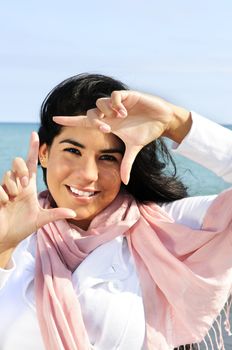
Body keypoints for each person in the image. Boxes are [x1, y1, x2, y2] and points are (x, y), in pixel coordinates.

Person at [0, 73, 232, 350]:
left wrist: (174, 122)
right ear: (44, 154)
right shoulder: (13, 235)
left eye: (107, 157)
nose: (88, 174)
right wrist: (4, 245)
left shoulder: (167, 230)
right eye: (73, 150)